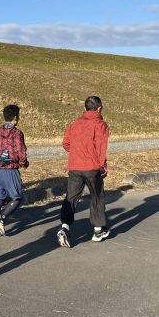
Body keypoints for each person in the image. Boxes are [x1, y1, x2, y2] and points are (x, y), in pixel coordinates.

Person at [56, 96, 110, 248]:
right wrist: (103, 165)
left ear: (85, 108)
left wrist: (76, 152)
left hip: (75, 166)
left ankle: (65, 227)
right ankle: (98, 230)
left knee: (71, 197)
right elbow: (101, 146)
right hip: (92, 167)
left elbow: (66, 143)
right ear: (99, 108)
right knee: (96, 196)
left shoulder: (75, 123)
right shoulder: (100, 124)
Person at [0, 104, 29, 238]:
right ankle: (2, 218)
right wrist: (24, 163)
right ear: (15, 118)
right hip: (10, 170)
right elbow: (21, 152)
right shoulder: (17, 133)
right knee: (16, 198)